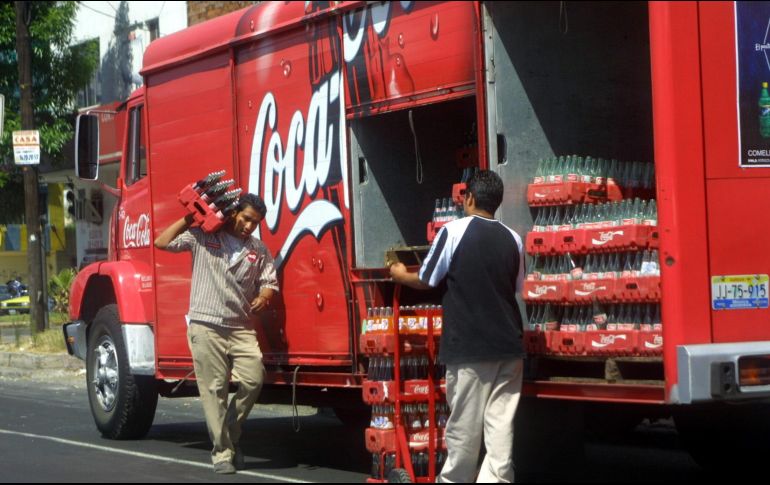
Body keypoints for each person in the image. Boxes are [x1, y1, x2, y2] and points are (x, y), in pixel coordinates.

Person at [390, 170, 525, 483]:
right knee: (500, 426)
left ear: (470, 199)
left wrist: (399, 274)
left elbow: (427, 279)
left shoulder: (453, 231)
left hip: (470, 346)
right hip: (509, 346)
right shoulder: (514, 238)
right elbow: (517, 287)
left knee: (464, 427)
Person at [154, 193, 279, 474]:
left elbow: (270, 280)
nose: (249, 226)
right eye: (246, 219)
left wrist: (265, 295)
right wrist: (191, 218)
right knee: (215, 391)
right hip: (205, 324)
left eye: (255, 223)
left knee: (253, 378)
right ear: (234, 213)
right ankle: (222, 453)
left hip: (240, 326)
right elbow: (162, 242)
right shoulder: (202, 236)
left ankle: (230, 434)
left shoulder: (258, 249)